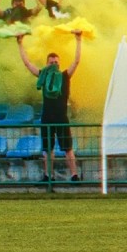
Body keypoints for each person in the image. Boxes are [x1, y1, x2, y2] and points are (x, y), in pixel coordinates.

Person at [17, 30, 84, 182]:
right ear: (47, 64)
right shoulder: (43, 75)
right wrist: (20, 43)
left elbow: (76, 61)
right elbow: (27, 64)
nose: (54, 65)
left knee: (67, 148)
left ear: (59, 63)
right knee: (48, 149)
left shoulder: (65, 76)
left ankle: (74, 176)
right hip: (47, 117)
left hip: (62, 118)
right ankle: (48, 176)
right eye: (51, 62)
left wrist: (78, 39)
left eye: (56, 62)